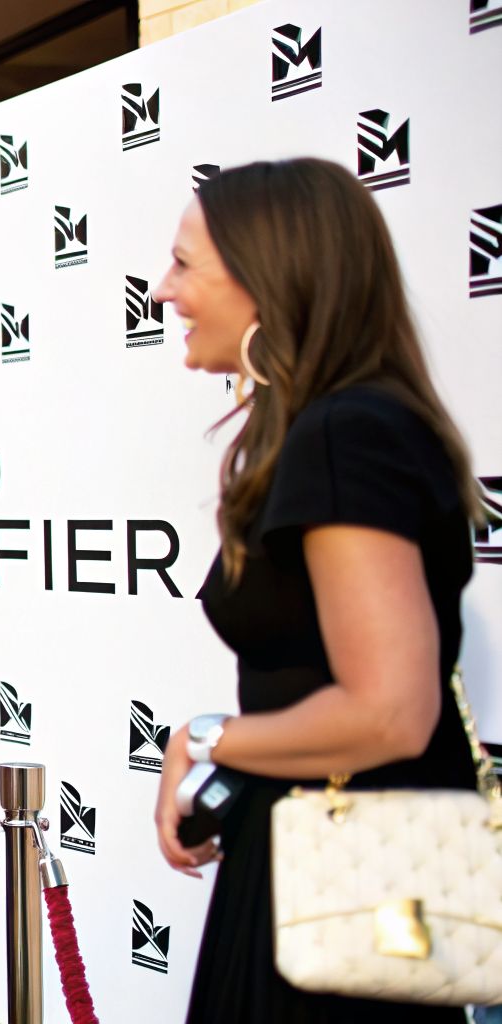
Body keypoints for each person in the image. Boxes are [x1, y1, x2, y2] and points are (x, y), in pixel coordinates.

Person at [148, 159, 482, 1024]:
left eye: (184, 263)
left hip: (347, 890)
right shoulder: (333, 428)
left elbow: (389, 715)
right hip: (319, 865)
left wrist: (208, 738)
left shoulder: (346, 434)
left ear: (267, 278)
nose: (159, 290)